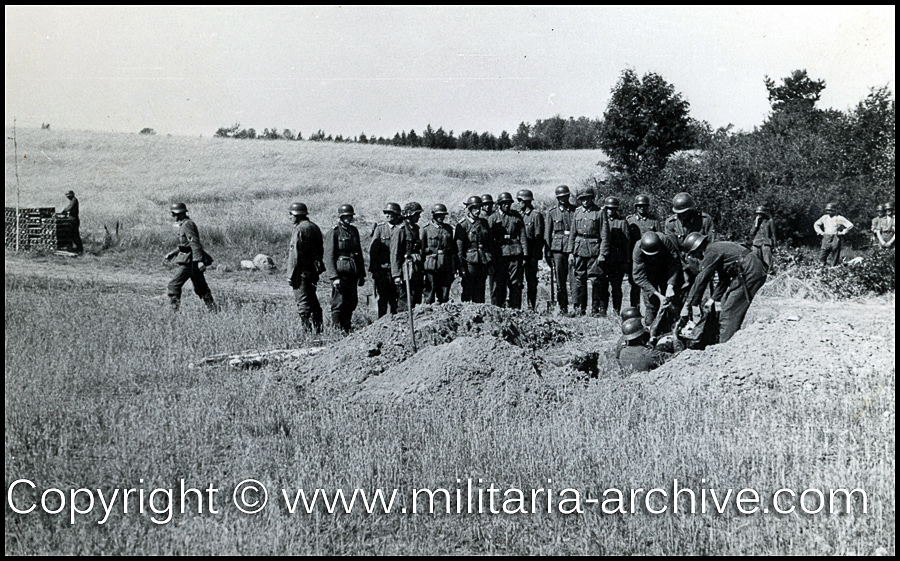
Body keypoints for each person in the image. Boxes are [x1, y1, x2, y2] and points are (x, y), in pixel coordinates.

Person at [680, 233, 767, 344]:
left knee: (728, 312)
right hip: (751, 268)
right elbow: (724, 279)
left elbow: (701, 279)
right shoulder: (716, 249)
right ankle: (728, 339)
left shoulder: (710, 252)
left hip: (749, 270)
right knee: (726, 302)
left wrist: (687, 305)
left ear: (698, 249)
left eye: (694, 254)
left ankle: (725, 346)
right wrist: (712, 299)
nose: (696, 258)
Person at [164, 203, 216, 312]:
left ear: (181, 214)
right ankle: (213, 310)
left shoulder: (188, 225)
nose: (173, 216)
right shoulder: (183, 224)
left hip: (190, 262)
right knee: (201, 287)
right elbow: (186, 244)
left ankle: (173, 312)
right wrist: (173, 253)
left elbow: (195, 243)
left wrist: (199, 261)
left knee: (173, 285)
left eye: (174, 214)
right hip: (190, 259)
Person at [324, 204, 365, 333]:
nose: (348, 218)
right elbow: (329, 255)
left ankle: (347, 327)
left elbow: (358, 253)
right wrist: (334, 276)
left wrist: (361, 274)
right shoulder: (334, 232)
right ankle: (337, 329)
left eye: (350, 216)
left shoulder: (354, 231)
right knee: (338, 302)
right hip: (340, 272)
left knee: (351, 301)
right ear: (340, 217)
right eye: (346, 216)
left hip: (352, 271)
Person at [632, 231, 685, 330]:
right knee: (651, 303)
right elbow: (638, 276)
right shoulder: (638, 249)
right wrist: (657, 294)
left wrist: (670, 285)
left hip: (665, 271)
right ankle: (650, 329)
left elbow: (674, 263)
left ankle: (674, 328)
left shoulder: (665, 241)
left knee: (672, 301)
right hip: (648, 274)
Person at [286, 202, 324, 333]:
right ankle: (319, 330)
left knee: (303, 303)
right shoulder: (314, 227)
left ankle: (307, 332)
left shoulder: (299, 229)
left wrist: (290, 275)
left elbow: (294, 255)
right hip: (313, 271)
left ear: (297, 215)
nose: (290, 217)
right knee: (313, 300)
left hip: (300, 272)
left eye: (291, 214)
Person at [592, 196, 632, 317]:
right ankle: (602, 309)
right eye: (608, 209)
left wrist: (626, 260)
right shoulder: (601, 220)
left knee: (616, 287)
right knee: (601, 285)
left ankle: (616, 310)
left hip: (617, 259)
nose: (610, 211)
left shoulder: (622, 222)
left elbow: (627, 242)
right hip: (604, 258)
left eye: (613, 209)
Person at [568, 187, 604, 316]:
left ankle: (594, 309)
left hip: (594, 250)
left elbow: (604, 235)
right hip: (579, 250)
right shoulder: (577, 213)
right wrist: (571, 252)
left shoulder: (599, 212)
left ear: (591, 198)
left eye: (587, 198)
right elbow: (572, 234)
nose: (585, 201)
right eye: (582, 199)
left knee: (595, 280)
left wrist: (602, 253)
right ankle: (581, 309)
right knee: (579, 280)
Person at [488, 192, 528, 308]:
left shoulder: (516, 216)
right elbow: (490, 240)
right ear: (499, 204)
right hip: (499, 254)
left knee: (515, 283)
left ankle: (515, 308)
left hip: (515, 253)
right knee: (500, 282)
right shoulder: (493, 218)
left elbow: (522, 235)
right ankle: (499, 308)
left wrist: (525, 254)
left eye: (508, 203)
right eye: (504, 203)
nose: (506, 205)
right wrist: (492, 256)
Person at [545, 185, 575, 315]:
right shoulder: (552, 213)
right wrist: (547, 252)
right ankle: (563, 306)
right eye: (561, 197)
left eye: (565, 196)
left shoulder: (575, 210)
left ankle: (576, 306)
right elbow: (547, 234)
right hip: (557, 249)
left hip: (572, 248)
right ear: (557, 198)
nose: (563, 199)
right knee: (560, 280)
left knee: (574, 279)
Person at [455, 196, 492, 303]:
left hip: (483, 260)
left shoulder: (484, 223)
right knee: (468, 288)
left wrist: (490, 261)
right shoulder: (463, 225)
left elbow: (488, 243)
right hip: (469, 261)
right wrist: (461, 266)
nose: (477, 211)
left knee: (480, 289)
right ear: (469, 209)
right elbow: (459, 248)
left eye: (479, 208)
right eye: (474, 208)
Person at [625, 194, 660, 307]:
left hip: (651, 258)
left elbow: (659, 238)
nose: (642, 208)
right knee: (634, 284)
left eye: (644, 206)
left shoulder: (653, 221)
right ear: (636, 207)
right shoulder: (629, 220)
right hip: (635, 257)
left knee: (650, 283)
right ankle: (635, 309)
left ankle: (651, 308)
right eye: (639, 206)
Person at [369, 202, 402, 317]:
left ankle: (395, 319)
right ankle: (381, 320)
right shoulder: (380, 229)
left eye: (390, 213)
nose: (387, 216)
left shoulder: (401, 229)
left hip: (396, 269)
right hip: (382, 270)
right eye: (386, 213)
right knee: (382, 297)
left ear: (397, 214)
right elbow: (373, 251)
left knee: (395, 297)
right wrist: (374, 269)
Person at [421, 203, 458, 304]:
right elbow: (422, 250)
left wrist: (454, 267)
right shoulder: (426, 229)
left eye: (443, 215)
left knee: (444, 291)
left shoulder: (449, 229)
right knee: (430, 291)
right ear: (433, 215)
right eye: (438, 215)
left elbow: (452, 249)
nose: (441, 217)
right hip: (431, 265)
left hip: (446, 264)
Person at [391, 202, 425, 312]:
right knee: (405, 299)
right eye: (417, 214)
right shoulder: (400, 230)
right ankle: (403, 325)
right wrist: (396, 275)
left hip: (415, 268)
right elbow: (394, 253)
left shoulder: (415, 228)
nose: (419, 217)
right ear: (410, 215)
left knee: (416, 296)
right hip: (405, 269)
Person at [517, 189, 545, 310]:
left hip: (531, 254)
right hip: (519, 253)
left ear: (527, 201)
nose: (519, 203)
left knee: (531, 282)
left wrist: (535, 255)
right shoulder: (518, 215)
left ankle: (531, 306)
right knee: (517, 281)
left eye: (520, 201)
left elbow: (538, 237)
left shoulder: (536, 216)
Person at [813, 203, 854, 267]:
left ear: (835, 210)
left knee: (835, 254)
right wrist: (820, 232)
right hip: (826, 237)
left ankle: (833, 268)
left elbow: (850, 225)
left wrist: (843, 232)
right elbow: (816, 224)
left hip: (835, 237)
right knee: (823, 254)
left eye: (831, 210)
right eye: (827, 210)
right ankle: (821, 267)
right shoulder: (824, 217)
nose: (829, 212)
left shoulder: (839, 218)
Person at [749, 205, 777, 270]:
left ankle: (769, 274)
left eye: (761, 214)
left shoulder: (770, 221)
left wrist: (774, 246)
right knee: (755, 260)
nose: (759, 215)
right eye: (758, 214)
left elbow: (773, 234)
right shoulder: (756, 221)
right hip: (756, 244)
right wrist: (756, 225)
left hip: (766, 243)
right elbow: (752, 233)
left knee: (767, 261)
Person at [59, 190, 83, 254]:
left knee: (75, 235)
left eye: (68, 195)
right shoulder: (72, 201)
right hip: (71, 219)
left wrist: (64, 211)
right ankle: (75, 248)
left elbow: (70, 208)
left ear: (72, 194)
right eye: (66, 195)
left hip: (73, 220)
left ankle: (80, 249)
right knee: (71, 235)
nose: (67, 197)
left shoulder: (74, 200)